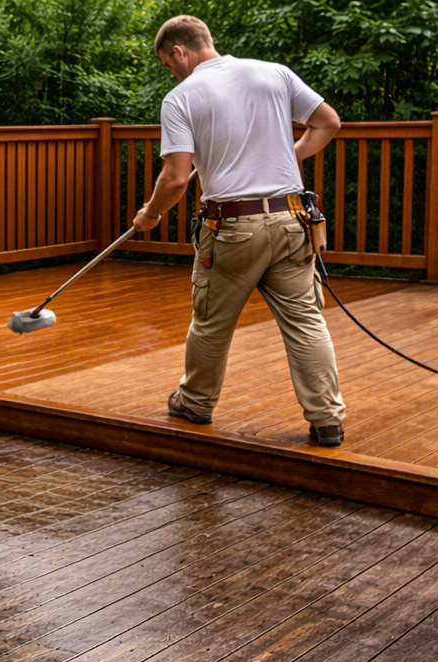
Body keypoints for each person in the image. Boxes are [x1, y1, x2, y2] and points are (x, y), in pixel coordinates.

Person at [132, 15, 346, 446]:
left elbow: (175, 178)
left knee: (212, 322)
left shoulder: (181, 97)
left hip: (232, 228)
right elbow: (328, 123)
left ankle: (194, 403)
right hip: (292, 220)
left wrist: (150, 215)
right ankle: (327, 419)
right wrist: (287, 157)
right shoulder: (274, 73)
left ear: (179, 51)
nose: (170, 72)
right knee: (306, 322)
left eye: (167, 63)